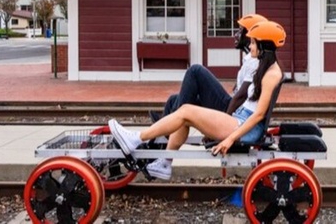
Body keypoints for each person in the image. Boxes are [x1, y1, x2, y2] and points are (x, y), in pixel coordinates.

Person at [109, 20, 286, 180]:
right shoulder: (266, 67)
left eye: (254, 42)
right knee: (186, 111)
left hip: (245, 125)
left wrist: (230, 139)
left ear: (264, 45)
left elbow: (258, 115)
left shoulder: (271, 74)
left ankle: (136, 138)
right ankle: (164, 163)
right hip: (241, 120)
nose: (251, 46)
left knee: (186, 110)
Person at [151, 13, 267, 122]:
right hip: (230, 106)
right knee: (173, 100)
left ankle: (172, 123)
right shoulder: (250, 60)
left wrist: (224, 120)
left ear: (250, 35)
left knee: (195, 71)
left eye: (240, 31)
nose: (236, 35)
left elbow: (241, 96)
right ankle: (163, 128)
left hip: (230, 111)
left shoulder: (254, 62)